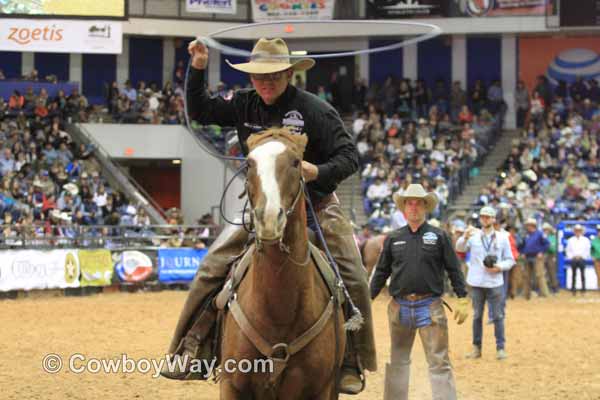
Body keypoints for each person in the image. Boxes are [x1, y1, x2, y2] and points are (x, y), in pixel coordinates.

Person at [162, 37, 376, 393]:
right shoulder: (244, 104)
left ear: (289, 73)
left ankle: (353, 360)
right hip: (261, 208)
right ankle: (191, 347)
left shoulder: (316, 110)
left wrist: (316, 172)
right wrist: (197, 67)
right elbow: (200, 111)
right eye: (259, 76)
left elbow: (349, 157)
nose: (266, 82)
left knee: (353, 273)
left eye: (274, 75)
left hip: (317, 206)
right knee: (212, 267)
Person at [370, 184, 468, 400]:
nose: (413, 207)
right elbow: (381, 271)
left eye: (418, 203)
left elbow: (453, 268)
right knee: (398, 361)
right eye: (409, 203)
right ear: (404, 208)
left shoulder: (439, 236)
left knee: (439, 362)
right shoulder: (394, 238)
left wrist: (462, 297)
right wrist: (367, 299)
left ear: (425, 207)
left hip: (430, 306)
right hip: (399, 307)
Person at [456, 207, 515, 360]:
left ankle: (500, 348)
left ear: (494, 219)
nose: (485, 219)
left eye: (488, 217)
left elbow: (510, 259)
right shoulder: (473, 236)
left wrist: (499, 267)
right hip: (476, 281)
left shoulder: (502, 237)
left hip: (495, 282)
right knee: (476, 316)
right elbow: (459, 248)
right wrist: (464, 236)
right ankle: (476, 348)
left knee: (498, 316)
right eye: (483, 217)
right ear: (480, 219)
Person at [520, 218, 550, 299]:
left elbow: (547, 244)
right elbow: (522, 245)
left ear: (533, 225)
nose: (527, 227)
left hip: (537, 256)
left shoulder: (540, 234)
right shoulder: (526, 235)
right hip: (527, 256)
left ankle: (545, 294)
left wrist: (541, 252)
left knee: (540, 275)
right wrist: (522, 252)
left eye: (528, 225)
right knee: (526, 276)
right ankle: (526, 294)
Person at [566, 224, 591, 295]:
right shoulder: (571, 240)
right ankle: (573, 289)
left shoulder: (586, 240)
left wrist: (582, 256)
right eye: (576, 230)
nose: (577, 232)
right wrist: (573, 256)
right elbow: (568, 250)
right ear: (574, 231)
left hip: (582, 259)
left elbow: (587, 250)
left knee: (582, 275)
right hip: (574, 259)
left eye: (579, 230)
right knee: (574, 275)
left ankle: (583, 289)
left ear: (581, 231)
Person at [543, 222, 559, 294]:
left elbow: (552, 248)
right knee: (543, 273)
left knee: (551, 272)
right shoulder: (542, 237)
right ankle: (545, 288)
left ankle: (554, 287)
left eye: (547, 230)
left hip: (550, 255)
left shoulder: (552, 237)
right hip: (543, 255)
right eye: (544, 230)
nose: (546, 231)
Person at [591, 224, 600, 290]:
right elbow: (591, 250)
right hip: (597, 260)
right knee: (598, 274)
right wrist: (592, 256)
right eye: (598, 231)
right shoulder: (594, 240)